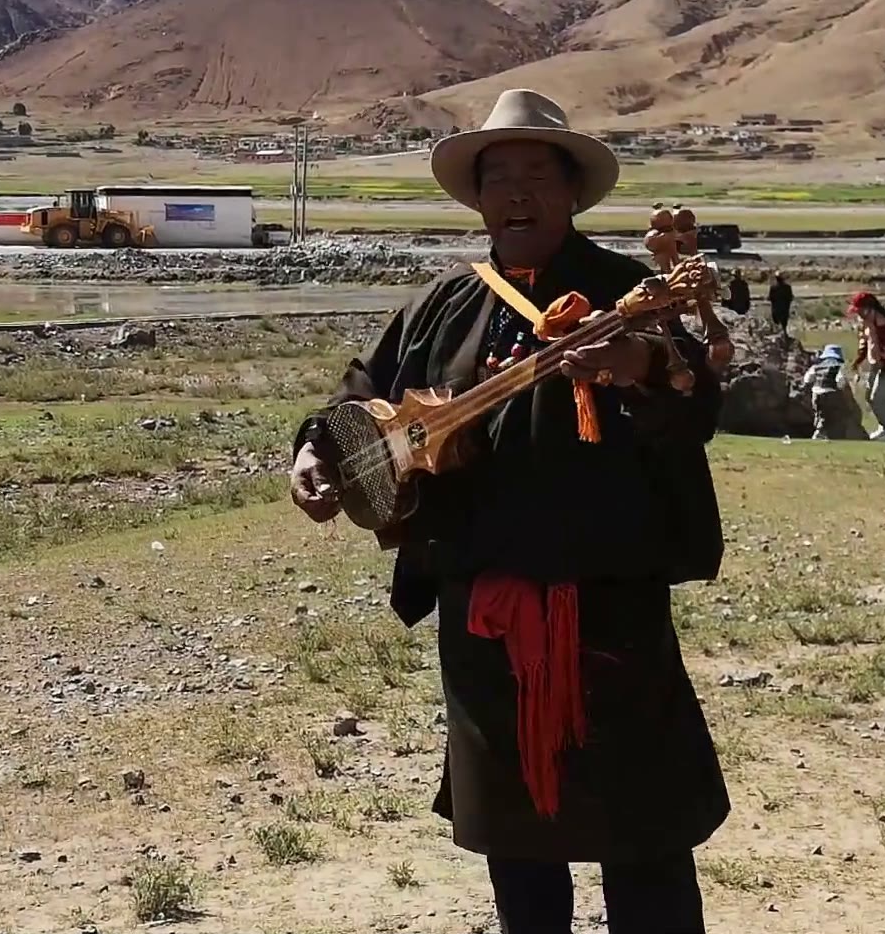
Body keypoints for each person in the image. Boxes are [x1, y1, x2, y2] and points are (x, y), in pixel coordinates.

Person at [288, 89, 730, 933]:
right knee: (519, 850)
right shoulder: (441, 306)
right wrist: (312, 449)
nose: (517, 191)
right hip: (484, 619)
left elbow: (693, 407)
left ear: (571, 194)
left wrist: (640, 367)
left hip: (610, 614)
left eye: (537, 173)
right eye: (499, 176)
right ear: (479, 198)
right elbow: (359, 395)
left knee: (643, 836)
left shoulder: (630, 291)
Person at [847, 290, 885, 440]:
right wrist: (858, 361)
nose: (858, 314)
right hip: (876, 363)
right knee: (869, 396)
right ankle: (883, 426)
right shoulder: (867, 322)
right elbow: (866, 343)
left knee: (879, 397)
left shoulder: (881, 321)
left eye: (859, 310)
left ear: (868, 308)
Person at [798, 343, 848, 440]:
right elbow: (840, 381)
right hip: (830, 393)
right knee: (830, 414)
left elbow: (807, 379)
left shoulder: (816, 367)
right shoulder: (838, 367)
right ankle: (820, 433)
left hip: (816, 393)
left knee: (819, 413)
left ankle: (821, 431)